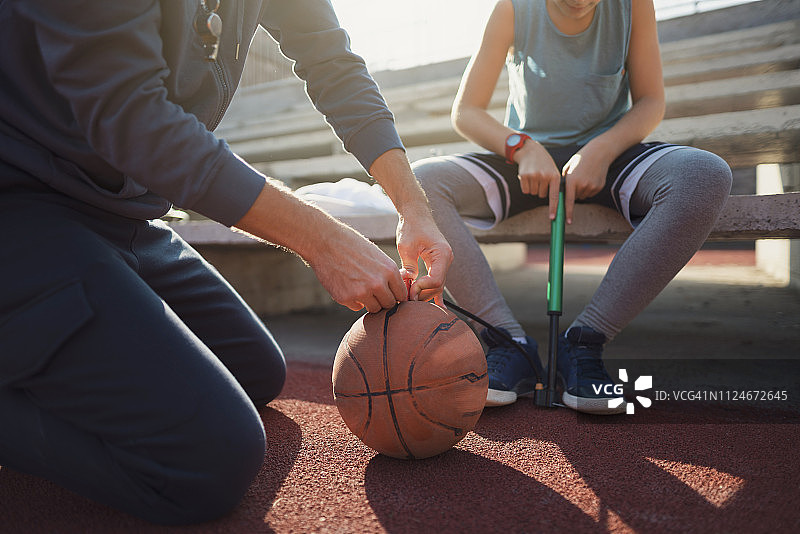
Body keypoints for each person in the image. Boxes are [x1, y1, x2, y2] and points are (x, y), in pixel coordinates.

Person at [0, 0, 452, 526]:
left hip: (117, 213)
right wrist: (326, 244)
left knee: (254, 369)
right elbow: (133, 119)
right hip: (19, 208)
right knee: (208, 460)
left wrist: (413, 208)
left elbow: (332, 61)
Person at [413, 0, 732, 413]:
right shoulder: (512, 8)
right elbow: (466, 112)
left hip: (610, 155)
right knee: (421, 179)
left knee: (704, 174)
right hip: (530, 160)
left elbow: (651, 101)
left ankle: (583, 343)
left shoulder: (635, 5)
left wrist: (601, 149)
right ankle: (508, 344)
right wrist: (520, 147)